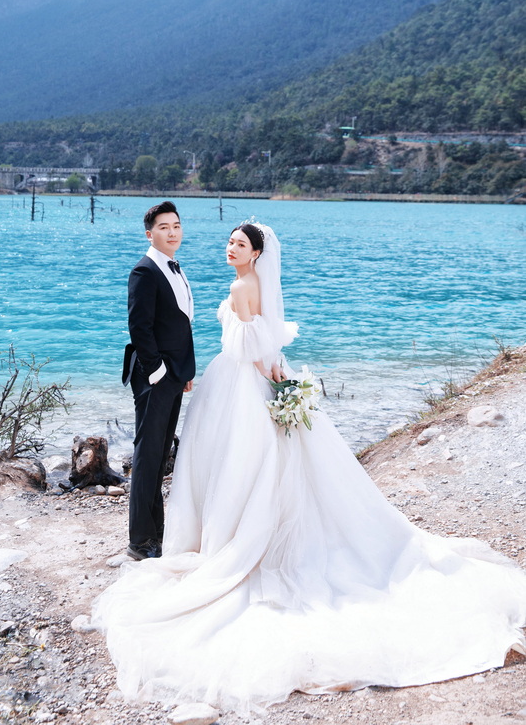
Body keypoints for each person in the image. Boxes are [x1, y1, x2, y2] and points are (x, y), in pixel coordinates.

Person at [96, 222, 526, 712]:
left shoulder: (239, 287)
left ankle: (219, 538)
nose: (230, 248)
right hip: (252, 378)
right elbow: (266, 340)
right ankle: (211, 533)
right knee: (258, 465)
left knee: (236, 465)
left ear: (256, 253)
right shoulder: (254, 284)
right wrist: (279, 375)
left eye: (240, 244)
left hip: (237, 383)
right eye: (230, 241)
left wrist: (269, 374)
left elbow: (249, 348)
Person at [121, 201, 195, 561]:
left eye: (176, 226)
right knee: (148, 456)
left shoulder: (174, 268)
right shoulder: (144, 270)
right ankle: (140, 542)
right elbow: (139, 327)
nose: (172, 232)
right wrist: (159, 372)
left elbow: (179, 323)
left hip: (173, 375)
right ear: (150, 234)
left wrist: (183, 373)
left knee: (160, 453)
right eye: (164, 227)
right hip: (155, 376)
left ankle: (156, 534)